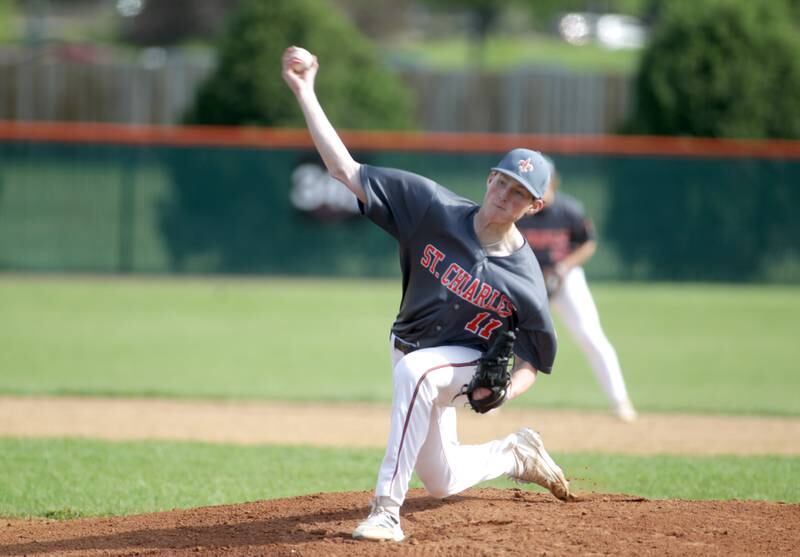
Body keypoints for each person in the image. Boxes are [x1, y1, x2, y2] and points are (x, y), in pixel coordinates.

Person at [282, 46, 571, 544]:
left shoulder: (526, 280)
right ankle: (515, 454)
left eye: (519, 192)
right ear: (489, 178)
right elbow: (343, 171)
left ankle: (386, 511)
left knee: (418, 374)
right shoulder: (431, 208)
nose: (505, 195)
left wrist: (504, 390)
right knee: (441, 481)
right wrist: (306, 91)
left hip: (459, 363)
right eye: (502, 182)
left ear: (535, 205)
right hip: (408, 344)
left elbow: (534, 359)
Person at [516, 162, 637, 422]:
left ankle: (620, 401)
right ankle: (491, 399)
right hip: (528, 281)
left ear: (554, 183)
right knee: (504, 337)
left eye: (546, 182)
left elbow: (588, 243)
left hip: (566, 280)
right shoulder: (519, 210)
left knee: (591, 336)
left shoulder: (568, 210)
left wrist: (564, 266)